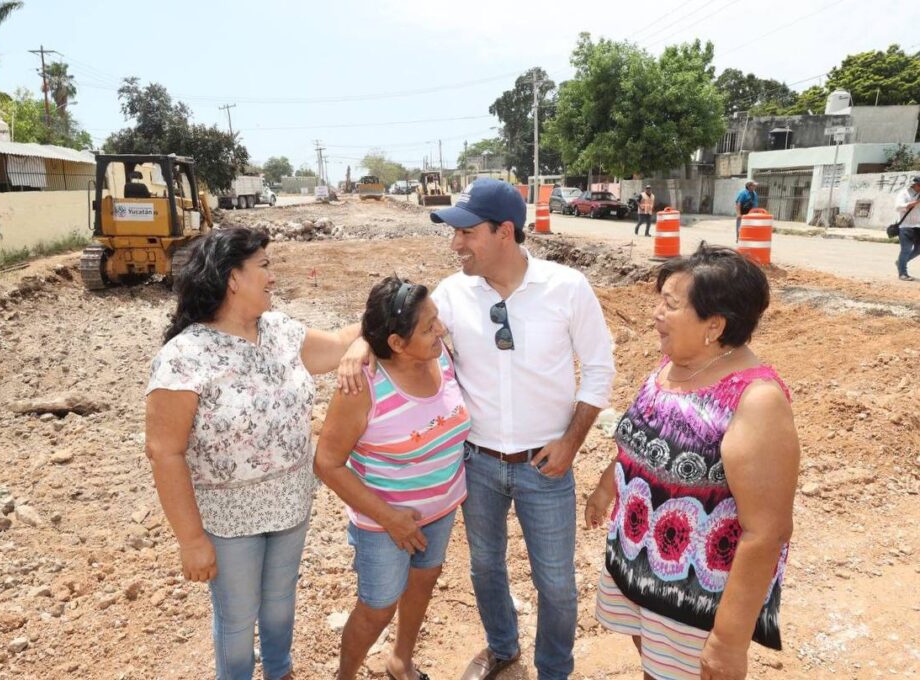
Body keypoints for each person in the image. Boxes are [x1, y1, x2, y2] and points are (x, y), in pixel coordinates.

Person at [347, 178, 614, 680]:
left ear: (505, 232)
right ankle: (503, 648)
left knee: (555, 582)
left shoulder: (566, 287)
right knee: (485, 568)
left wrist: (570, 444)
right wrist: (363, 344)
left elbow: (599, 369)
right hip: (476, 464)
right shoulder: (451, 293)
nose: (456, 244)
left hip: (547, 465)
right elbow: (400, 329)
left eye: (466, 233)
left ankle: (554, 669)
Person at [144, 226, 368, 680]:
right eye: (264, 266)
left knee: (282, 602)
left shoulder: (281, 331)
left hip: (290, 504)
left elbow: (343, 344)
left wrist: (365, 340)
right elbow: (164, 451)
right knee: (237, 619)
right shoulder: (183, 357)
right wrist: (191, 541)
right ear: (232, 278)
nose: (273, 276)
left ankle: (280, 671)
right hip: (230, 521)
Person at [585, 243, 800, 680]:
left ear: (714, 325)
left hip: (694, 595)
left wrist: (728, 640)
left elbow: (766, 531)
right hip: (641, 567)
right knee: (655, 667)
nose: (655, 314)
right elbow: (640, 439)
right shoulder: (674, 364)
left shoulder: (756, 401)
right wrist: (607, 486)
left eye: (671, 304)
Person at [315, 276, 470, 680]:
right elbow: (327, 463)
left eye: (437, 319)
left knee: (422, 583)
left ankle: (401, 661)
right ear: (397, 344)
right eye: (428, 327)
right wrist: (390, 518)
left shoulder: (441, 356)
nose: (441, 329)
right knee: (378, 606)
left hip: (441, 509)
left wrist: (362, 339)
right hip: (383, 522)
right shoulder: (362, 385)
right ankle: (344, 676)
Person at [894, 175, 920, 281]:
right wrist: (914, 203)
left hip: (918, 227)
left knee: (918, 250)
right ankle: (903, 273)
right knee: (906, 250)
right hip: (906, 227)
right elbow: (898, 207)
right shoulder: (904, 193)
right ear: (915, 185)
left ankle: (900, 262)